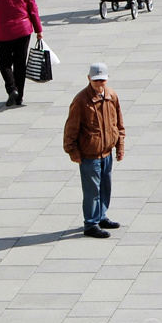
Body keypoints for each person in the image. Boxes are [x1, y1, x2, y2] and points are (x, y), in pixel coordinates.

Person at [63, 62, 125, 238]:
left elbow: (118, 123)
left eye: (102, 80)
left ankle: (101, 215)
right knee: (92, 190)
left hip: (107, 152)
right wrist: (73, 152)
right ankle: (91, 223)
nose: (99, 84)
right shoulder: (81, 100)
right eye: (96, 80)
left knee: (105, 186)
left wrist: (119, 145)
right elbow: (71, 129)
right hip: (89, 155)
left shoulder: (111, 96)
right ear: (89, 79)